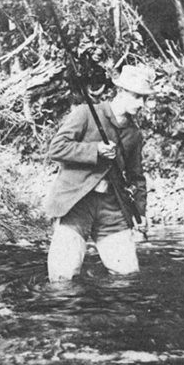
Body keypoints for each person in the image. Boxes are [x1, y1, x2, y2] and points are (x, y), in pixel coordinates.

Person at [43, 64, 154, 281]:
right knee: (62, 278)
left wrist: (140, 211)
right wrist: (95, 150)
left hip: (112, 208)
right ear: (121, 91)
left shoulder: (134, 134)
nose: (141, 104)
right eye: (136, 96)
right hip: (76, 204)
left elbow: (136, 176)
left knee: (127, 276)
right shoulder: (85, 114)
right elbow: (56, 149)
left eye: (144, 98)